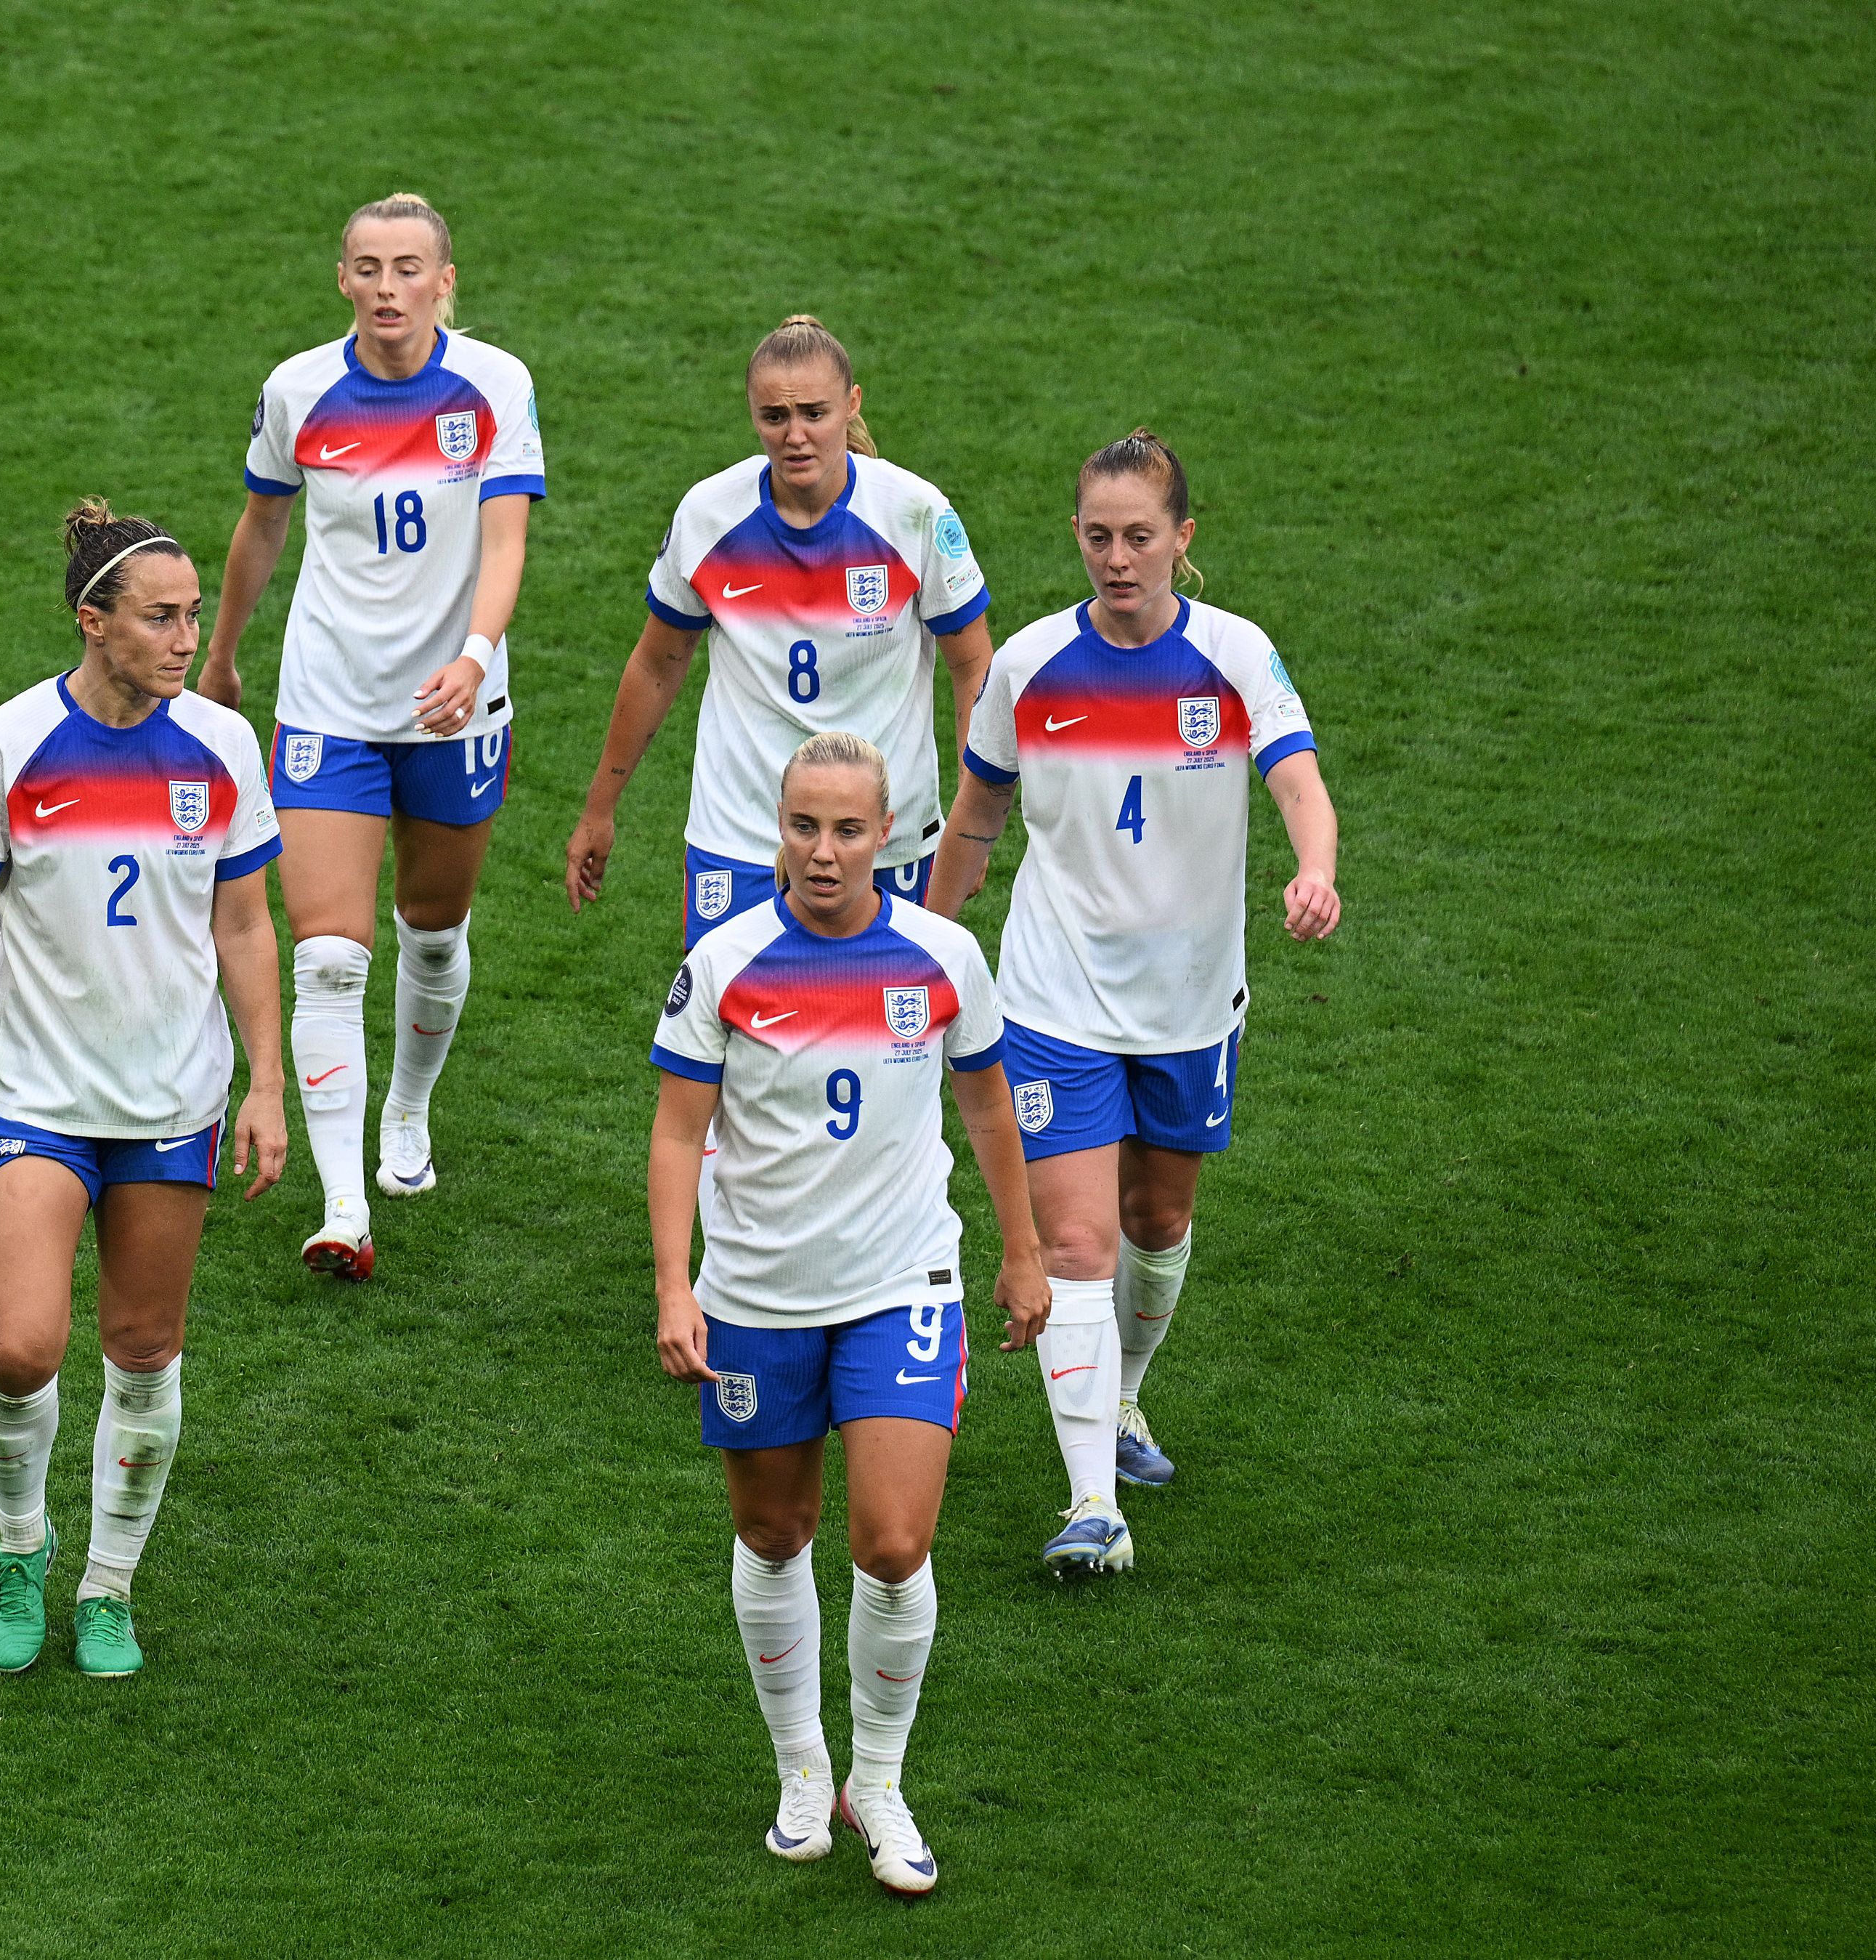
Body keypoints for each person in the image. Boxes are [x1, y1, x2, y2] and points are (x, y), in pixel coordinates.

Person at [0, 501, 288, 1680]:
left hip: (169, 1102)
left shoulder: (220, 747)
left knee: (144, 1348)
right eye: (160, 617)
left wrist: (265, 1082)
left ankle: (106, 1585)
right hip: (34, 1102)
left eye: (193, 615)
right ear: (90, 620)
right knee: (18, 1347)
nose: (183, 637)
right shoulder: (8, 747)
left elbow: (248, 924)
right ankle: (19, 1543)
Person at [923, 430, 1338, 1574]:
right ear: (1077, 537)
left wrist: (1315, 868)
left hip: (1193, 1007)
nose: (1118, 558)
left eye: (1140, 537)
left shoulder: (1237, 658)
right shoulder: (1028, 668)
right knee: (1076, 1240)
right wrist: (928, 943)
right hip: (1055, 1000)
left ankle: (1124, 1397)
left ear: (1181, 540)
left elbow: (1300, 779)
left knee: (1158, 1225)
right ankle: (1093, 1507)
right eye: (1098, 537)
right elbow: (975, 819)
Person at [649, 732, 1049, 1897]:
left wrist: (1023, 1253)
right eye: (803, 826)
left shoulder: (941, 957)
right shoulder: (723, 962)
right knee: (776, 1533)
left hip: (901, 1286)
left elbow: (986, 1111)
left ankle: (877, 1777)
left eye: (847, 829)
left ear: (888, 835)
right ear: (776, 827)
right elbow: (678, 1131)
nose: (823, 852)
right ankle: (797, 1766)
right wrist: (677, 1284)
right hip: (759, 1298)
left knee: (892, 1541)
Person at [195, 191, 543, 1282]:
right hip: (330, 700)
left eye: (407, 268)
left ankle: (407, 1105)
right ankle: (345, 1203)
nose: (386, 287)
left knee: (431, 929)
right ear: (341, 278)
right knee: (332, 958)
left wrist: (475, 657)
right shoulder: (298, 391)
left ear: (446, 281)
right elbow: (263, 524)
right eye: (366, 267)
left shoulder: (495, 386)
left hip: (452, 703)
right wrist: (222, 652)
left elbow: (505, 538)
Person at [564, 315, 992, 952]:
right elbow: (657, 664)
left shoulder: (914, 513)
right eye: (774, 417)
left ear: (851, 405)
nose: (794, 437)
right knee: (733, 1041)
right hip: (741, 834)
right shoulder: (709, 515)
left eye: (815, 414)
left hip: (882, 838)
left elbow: (971, 663)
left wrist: (970, 823)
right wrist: (600, 807)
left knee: (888, 1043)